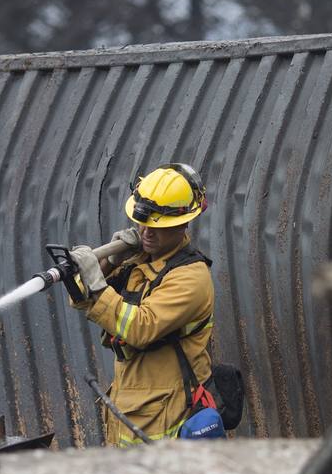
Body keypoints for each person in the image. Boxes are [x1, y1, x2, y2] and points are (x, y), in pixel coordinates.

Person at [66, 163, 218, 446]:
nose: (146, 232)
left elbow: (139, 328)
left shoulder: (190, 277)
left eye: (158, 226)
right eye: (143, 223)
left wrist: (98, 283)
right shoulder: (139, 261)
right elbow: (80, 298)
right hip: (132, 406)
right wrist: (107, 262)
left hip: (167, 416)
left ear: (183, 222)